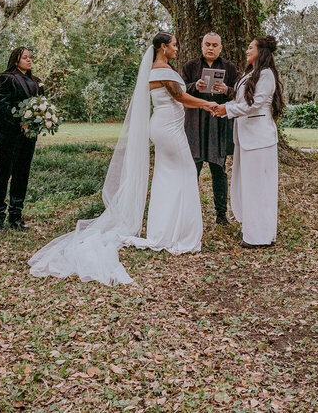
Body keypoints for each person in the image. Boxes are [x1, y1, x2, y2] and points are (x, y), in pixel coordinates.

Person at [29, 31, 222, 284]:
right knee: (185, 173)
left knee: (166, 177)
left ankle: (163, 230)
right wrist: (208, 104)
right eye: (174, 45)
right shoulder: (162, 70)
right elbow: (180, 97)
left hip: (164, 127)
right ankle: (178, 233)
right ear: (163, 47)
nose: (177, 48)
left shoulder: (155, 70)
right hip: (168, 129)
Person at [225, 35, 285, 247]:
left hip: (260, 139)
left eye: (250, 48)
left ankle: (260, 236)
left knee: (260, 187)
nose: (246, 51)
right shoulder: (250, 73)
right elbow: (241, 100)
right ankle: (251, 230)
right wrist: (226, 99)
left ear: (261, 52)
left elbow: (256, 105)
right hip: (246, 137)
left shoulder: (267, 75)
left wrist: (226, 109)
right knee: (248, 186)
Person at [183, 32, 238, 226]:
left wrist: (226, 90)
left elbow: (238, 95)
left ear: (220, 48)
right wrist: (194, 87)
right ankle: (189, 214)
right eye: (207, 44)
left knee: (219, 169)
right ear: (201, 45)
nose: (211, 48)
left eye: (215, 45)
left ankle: (221, 215)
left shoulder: (229, 67)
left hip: (218, 123)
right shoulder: (190, 66)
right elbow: (180, 92)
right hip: (195, 123)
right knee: (192, 169)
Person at [0, 45, 42, 232]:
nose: (29, 60)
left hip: (29, 135)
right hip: (8, 133)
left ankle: (16, 216)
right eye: (25, 57)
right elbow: (2, 107)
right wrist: (20, 122)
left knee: (22, 173)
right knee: (4, 172)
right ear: (16, 59)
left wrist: (38, 122)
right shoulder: (6, 79)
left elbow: (39, 106)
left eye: (30, 57)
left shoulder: (35, 81)